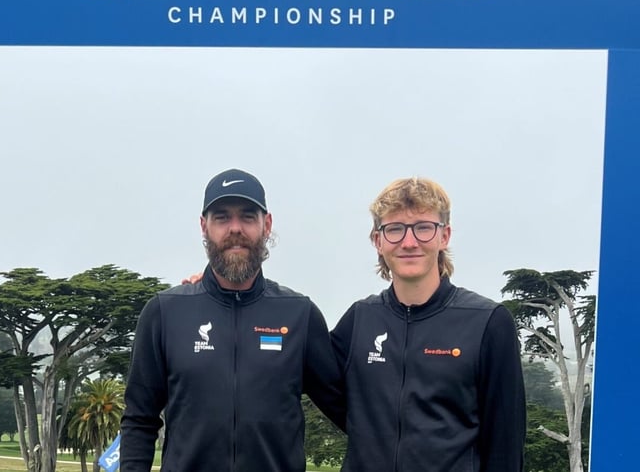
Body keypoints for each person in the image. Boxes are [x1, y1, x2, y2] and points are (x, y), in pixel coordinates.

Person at [120, 168, 345, 472]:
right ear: (204, 226)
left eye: (248, 216)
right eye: (222, 217)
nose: (235, 228)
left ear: (267, 224)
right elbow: (138, 420)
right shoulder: (164, 313)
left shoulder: (299, 315)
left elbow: (350, 412)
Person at [331, 177, 526, 472]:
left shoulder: (488, 322)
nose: (409, 242)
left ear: (444, 236)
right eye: (394, 229)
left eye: (423, 227)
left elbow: (505, 445)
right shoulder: (360, 319)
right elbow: (329, 395)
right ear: (378, 241)